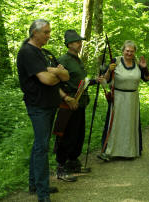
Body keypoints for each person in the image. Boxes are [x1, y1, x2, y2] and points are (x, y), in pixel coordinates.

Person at [17, 19, 69, 202]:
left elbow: (66, 75)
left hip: (49, 104)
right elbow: (48, 80)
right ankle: (42, 193)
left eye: (49, 31)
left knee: (40, 144)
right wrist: (56, 74)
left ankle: (35, 184)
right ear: (34, 33)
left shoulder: (44, 52)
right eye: (46, 32)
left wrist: (52, 71)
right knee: (42, 147)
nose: (49, 35)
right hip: (38, 106)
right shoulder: (27, 52)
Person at [54, 29, 95, 182]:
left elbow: (80, 81)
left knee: (78, 134)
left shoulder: (77, 59)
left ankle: (73, 162)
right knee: (66, 135)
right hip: (69, 103)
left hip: (80, 102)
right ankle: (60, 167)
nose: (80, 44)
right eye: (77, 42)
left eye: (80, 41)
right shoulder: (62, 60)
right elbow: (54, 83)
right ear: (69, 44)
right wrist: (66, 98)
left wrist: (95, 80)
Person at [98, 40, 149, 161]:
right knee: (116, 124)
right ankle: (110, 151)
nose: (129, 53)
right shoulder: (115, 61)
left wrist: (144, 68)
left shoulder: (137, 63)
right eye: (127, 51)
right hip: (118, 98)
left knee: (129, 125)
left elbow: (147, 78)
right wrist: (109, 70)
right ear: (123, 51)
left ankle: (129, 152)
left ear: (134, 52)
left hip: (132, 99)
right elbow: (104, 80)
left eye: (132, 51)